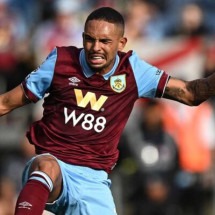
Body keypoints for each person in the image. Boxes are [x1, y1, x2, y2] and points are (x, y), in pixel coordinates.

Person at [0, 6, 214, 215]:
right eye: (90, 39)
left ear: (121, 43)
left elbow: (190, 93)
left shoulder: (133, 71)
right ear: (82, 37)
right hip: (55, 169)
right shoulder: (60, 62)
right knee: (44, 166)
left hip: (93, 180)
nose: (95, 47)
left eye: (105, 41)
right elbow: (7, 102)